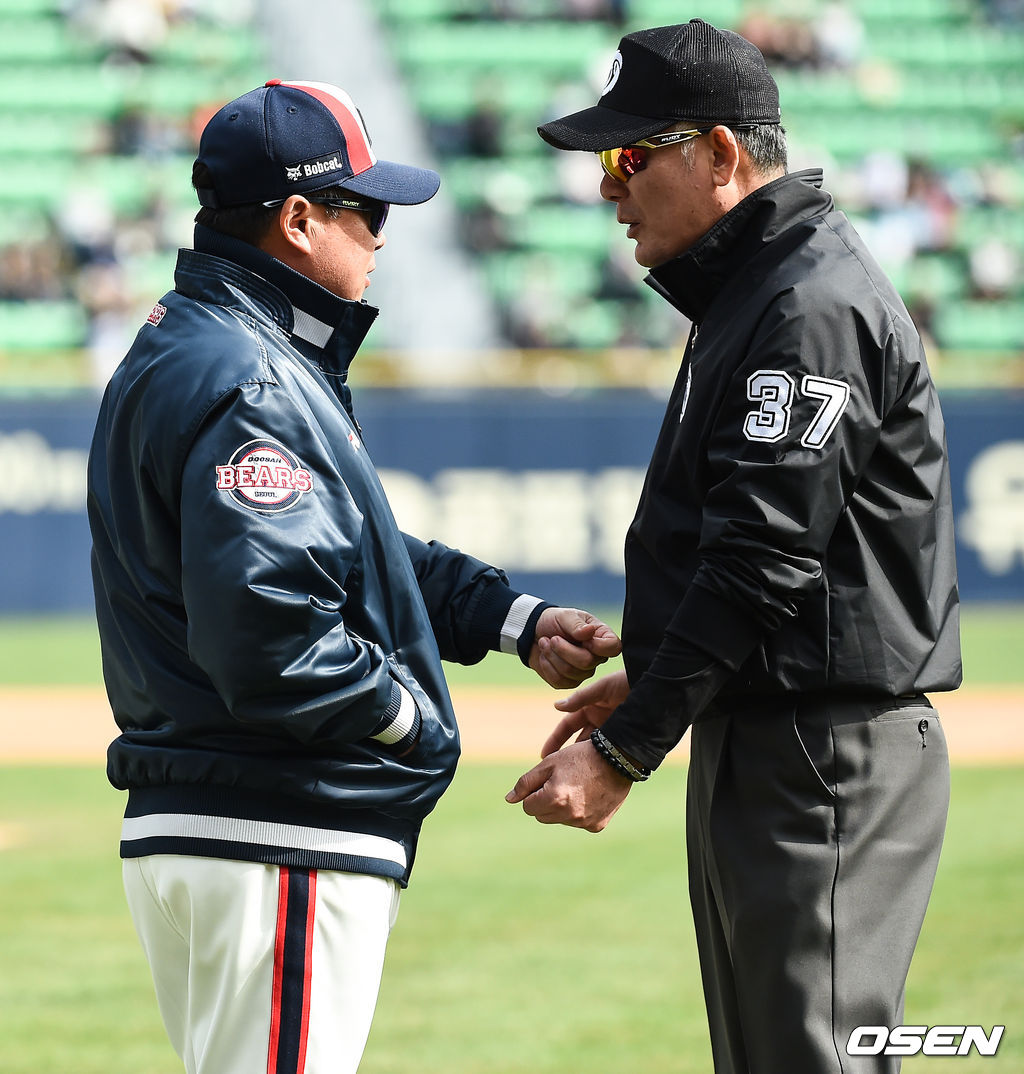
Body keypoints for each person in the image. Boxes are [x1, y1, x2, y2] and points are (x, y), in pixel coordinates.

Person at [87, 79, 619, 1074]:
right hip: (275, 825)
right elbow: (274, 640)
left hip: (218, 815)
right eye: (366, 210)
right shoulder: (251, 375)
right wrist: (409, 716)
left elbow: (343, 559)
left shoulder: (201, 343)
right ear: (296, 219)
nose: (381, 236)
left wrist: (507, 618)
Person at [507, 20, 961, 1074]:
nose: (607, 189)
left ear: (719, 154)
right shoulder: (759, 291)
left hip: (824, 753)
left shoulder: (807, 303)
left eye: (627, 157)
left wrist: (624, 752)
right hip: (775, 738)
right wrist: (664, 676)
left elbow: (762, 558)